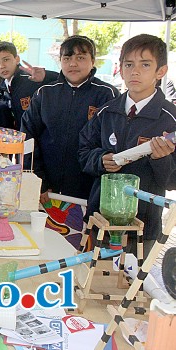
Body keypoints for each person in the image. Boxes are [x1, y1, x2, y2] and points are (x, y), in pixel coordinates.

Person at [79, 34, 176, 256]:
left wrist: (162, 160)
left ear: (160, 71)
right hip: (101, 220)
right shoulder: (106, 112)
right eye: (129, 64)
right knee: (94, 283)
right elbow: (83, 152)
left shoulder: (170, 119)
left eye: (145, 64)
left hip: (143, 225)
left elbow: (172, 182)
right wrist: (100, 160)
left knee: (132, 287)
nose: (135, 71)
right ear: (120, 69)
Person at [21, 35, 119, 204]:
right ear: (60, 61)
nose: (73, 64)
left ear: (93, 61)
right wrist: (38, 180)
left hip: (88, 191)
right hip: (46, 190)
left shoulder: (107, 95)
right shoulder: (45, 93)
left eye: (81, 58)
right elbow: (27, 136)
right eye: (67, 58)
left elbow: (112, 144)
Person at [0, 41, 59, 129]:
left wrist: (45, 76)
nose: (2, 66)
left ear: (17, 59)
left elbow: (61, 81)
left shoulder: (32, 78)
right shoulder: (2, 86)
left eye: (6, 60)